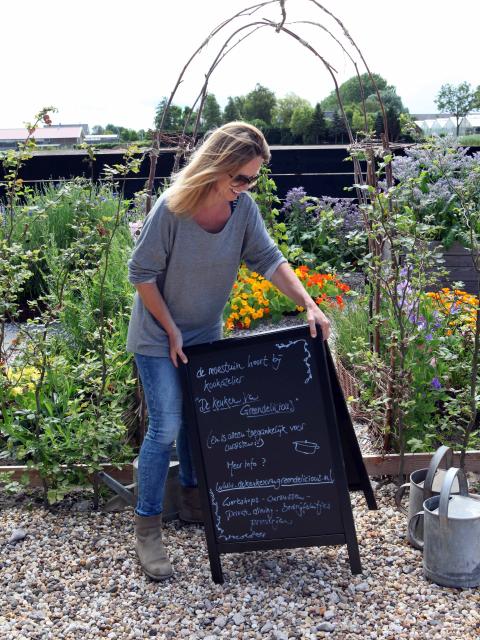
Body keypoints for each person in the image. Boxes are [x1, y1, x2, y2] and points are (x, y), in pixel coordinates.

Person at [126, 122, 331, 580]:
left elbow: (269, 259)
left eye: (252, 179)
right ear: (215, 168)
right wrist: (172, 331)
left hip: (204, 331)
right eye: (240, 178)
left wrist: (309, 304)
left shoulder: (243, 210)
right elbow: (140, 274)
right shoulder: (172, 209)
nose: (245, 188)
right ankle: (147, 528)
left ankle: (196, 501)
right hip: (159, 334)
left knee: (203, 421)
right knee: (166, 426)